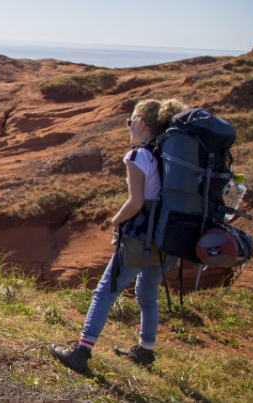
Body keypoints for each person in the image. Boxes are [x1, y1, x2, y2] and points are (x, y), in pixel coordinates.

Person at [51, 98, 188, 373]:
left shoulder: (138, 156)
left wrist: (115, 220)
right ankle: (145, 351)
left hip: (140, 238)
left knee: (105, 291)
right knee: (147, 292)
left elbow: (136, 202)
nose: (129, 126)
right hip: (168, 238)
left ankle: (81, 352)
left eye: (131, 121)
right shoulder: (170, 156)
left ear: (142, 124)